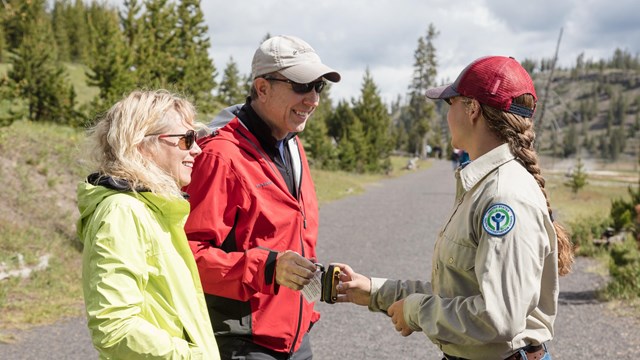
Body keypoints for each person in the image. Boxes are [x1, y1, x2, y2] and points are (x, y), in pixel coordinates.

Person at [335, 56, 574, 360]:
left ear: (472, 109)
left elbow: (497, 316)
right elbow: (461, 292)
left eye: (450, 104)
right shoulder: (484, 184)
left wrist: (416, 310)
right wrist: (375, 291)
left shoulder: (503, 196)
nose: (446, 116)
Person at [183, 35, 341, 359]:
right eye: (301, 86)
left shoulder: (293, 146)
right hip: (245, 343)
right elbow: (189, 257)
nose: (313, 100)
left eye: (318, 87)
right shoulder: (220, 157)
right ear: (262, 88)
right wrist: (267, 269)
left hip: (296, 337)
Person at [77, 90, 221, 359]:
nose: (197, 149)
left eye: (196, 139)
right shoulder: (122, 212)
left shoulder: (151, 208)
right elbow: (115, 328)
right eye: (186, 139)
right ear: (141, 144)